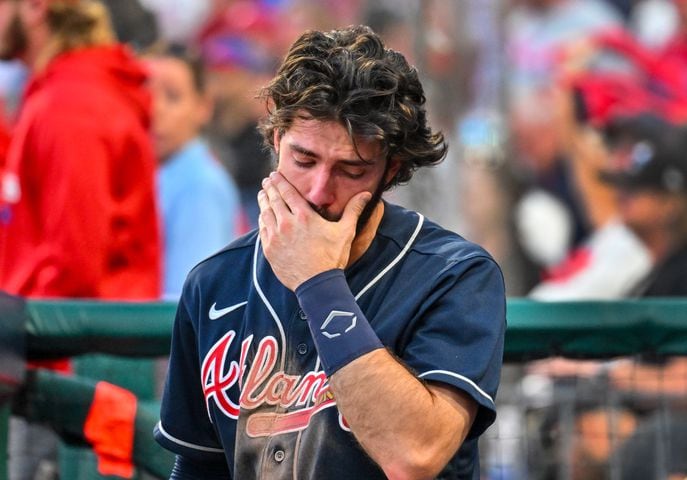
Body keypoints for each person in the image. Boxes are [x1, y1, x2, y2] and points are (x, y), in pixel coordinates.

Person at [154, 25, 506, 480]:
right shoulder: (215, 282)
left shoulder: (454, 275)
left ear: (391, 169)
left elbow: (414, 455)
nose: (319, 191)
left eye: (351, 169)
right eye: (303, 160)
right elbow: (197, 467)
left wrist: (318, 283)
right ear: (277, 139)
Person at [0, 1, 160, 478]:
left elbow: (75, 268)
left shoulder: (70, 104)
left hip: (72, 376)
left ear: (35, 7)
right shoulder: (58, 91)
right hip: (73, 367)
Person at [146, 46, 242, 299]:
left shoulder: (199, 185)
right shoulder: (158, 173)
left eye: (172, 97)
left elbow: (186, 302)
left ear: (203, 106)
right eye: (144, 93)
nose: (155, 109)